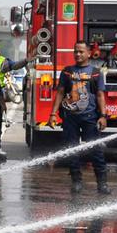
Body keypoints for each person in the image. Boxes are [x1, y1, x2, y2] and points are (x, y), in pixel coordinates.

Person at [49, 41, 110, 195]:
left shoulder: (96, 73)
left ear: (89, 53)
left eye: (81, 52)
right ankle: (76, 181)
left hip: (90, 117)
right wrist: (53, 114)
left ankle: (102, 184)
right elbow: (61, 92)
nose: (78, 54)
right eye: (75, 51)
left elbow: (100, 95)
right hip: (70, 118)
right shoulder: (67, 72)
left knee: (95, 150)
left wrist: (103, 116)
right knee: (72, 150)